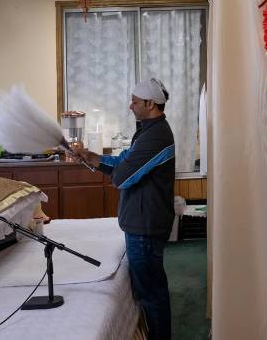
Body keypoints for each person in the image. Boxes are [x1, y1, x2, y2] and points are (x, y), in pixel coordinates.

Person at [84, 78, 175, 340]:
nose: (130, 106)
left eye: (135, 102)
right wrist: (93, 158)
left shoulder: (156, 136)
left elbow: (123, 176)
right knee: (150, 288)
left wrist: (111, 166)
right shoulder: (147, 130)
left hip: (145, 225)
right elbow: (123, 162)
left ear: (150, 103)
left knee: (151, 293)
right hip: (141, 222)